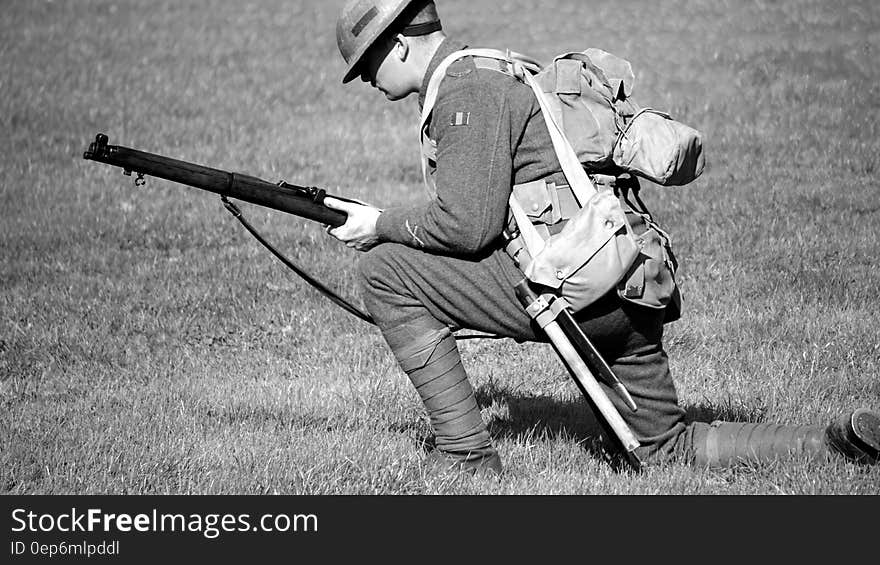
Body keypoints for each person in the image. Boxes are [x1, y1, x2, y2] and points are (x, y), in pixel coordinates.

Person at [323, 0, 880, 475]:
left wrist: (378, 225)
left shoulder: (465, 93)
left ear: (398, 45)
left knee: (384, 269)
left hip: (576, 291)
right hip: (626, 283)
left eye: (367, 65)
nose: (368, 81)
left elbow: (469, 229)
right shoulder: (495, 70)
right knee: (663, 448)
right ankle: (836, 443)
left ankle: (466, 458)